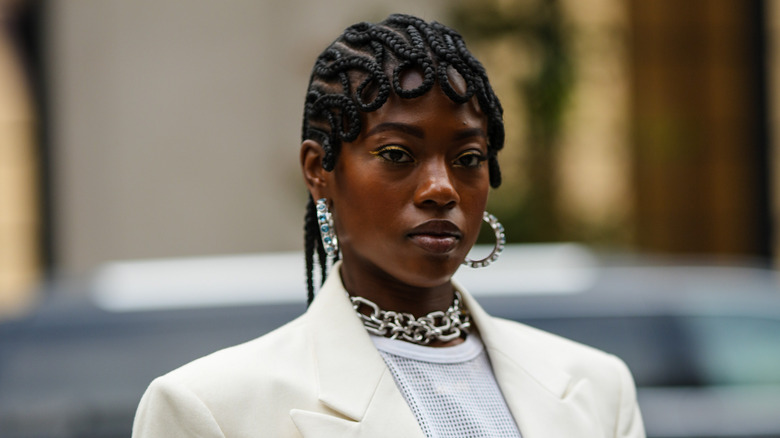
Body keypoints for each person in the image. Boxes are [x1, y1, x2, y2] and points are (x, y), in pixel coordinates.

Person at [132, 13, 645, 437]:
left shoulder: (597, 388)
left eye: (468, 157)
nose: (442, 188)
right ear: (319, 171)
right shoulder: (211, 410)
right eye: (398, 153)